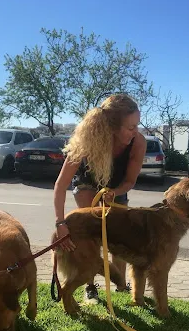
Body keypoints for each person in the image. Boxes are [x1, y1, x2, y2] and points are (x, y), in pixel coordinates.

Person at [53, 93, 146, 304]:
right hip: (87, 187)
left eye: (137, 126)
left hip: (116, 189)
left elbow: (130, 180)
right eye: (131, 127)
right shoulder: (86, 141)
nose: (136, 132)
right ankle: (90, 285)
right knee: (94, 235)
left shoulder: (138, 142)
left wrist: (115, 192)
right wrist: (60, 223)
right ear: (111, 127)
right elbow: (60, 185)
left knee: (119, 238)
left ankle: (121, 284)